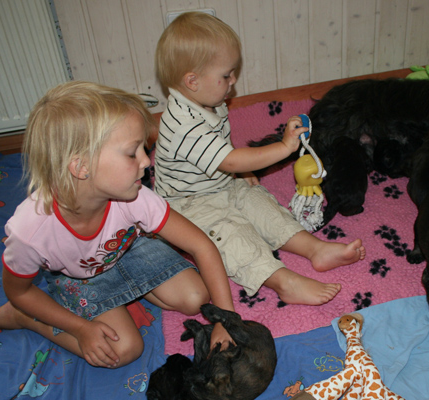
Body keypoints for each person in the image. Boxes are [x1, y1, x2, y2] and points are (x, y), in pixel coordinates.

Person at [0, 81, 235, 369]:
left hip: (128, 249)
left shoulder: (134, 195)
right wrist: (80, 328)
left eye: (144, 148)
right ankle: (22, 318)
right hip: (77, 276)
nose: (146, 161)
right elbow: (19, 291)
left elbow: (201, 245)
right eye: (132, 153)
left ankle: (128, 291)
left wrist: (226, 320)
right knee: (123, 350)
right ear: (81, 167)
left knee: (196, 298)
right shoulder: (31, 231)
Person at [153, 12, 365, 306]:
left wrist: (241, 172)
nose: (233, 80)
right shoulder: (183, 125)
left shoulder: (208, 100)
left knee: (261, 205)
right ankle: (284, 282)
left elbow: (223, 150)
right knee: (233, 235)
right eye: (226, 75)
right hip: (188, 205)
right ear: (192, 81)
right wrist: (283, 147)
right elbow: (229, 160)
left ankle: (315, 249)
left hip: (220, 183)